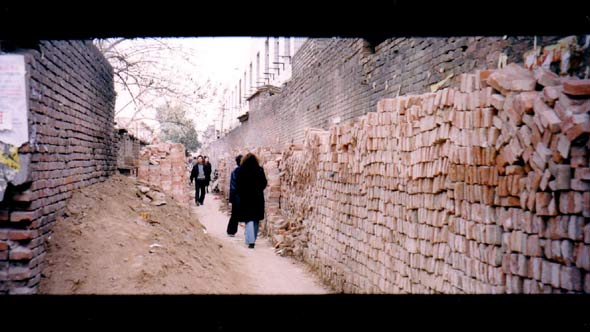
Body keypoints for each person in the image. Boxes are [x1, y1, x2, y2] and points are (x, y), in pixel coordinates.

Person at [234, 153, 267, 249]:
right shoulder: (259, 170)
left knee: (249, 219)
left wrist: (240, 194)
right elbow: (264, 183)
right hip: (258, 198)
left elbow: (238, 185)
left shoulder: (241, 170)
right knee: (256, 218)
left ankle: (250, 240)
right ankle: (253, 239)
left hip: (246, 198)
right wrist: (259, 190)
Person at [226, 154, 242, 237]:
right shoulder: (240, 172)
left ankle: (231, 231)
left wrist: (231, 199)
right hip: (240, 197)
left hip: (236, 197)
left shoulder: (234, 172)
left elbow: (232, 187)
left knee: (234, 214)